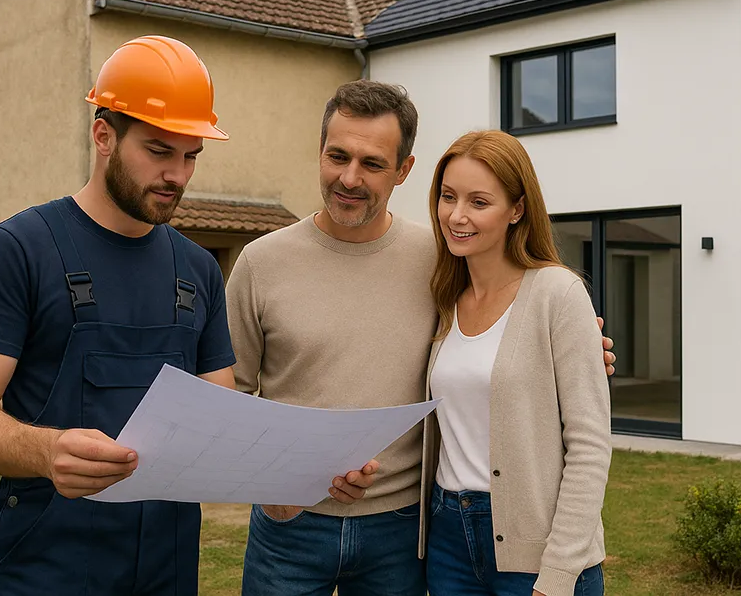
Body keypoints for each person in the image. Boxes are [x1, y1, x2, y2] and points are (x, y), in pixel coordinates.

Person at [0, 35, 374, 595]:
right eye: (158, 150)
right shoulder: (20, 248)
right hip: (48, 566)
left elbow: (222, 422)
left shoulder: (195, 269)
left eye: (191, 155)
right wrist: (46, 452)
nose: (178, 174)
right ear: (103, 135)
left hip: (167, 568)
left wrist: (312, 469)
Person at [225, 80, 616, 596]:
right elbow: (229, 392)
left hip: (402, 531)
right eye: (337, 156)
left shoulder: (439, 258)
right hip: (291, 525)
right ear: (319, 153)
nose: (349, 177)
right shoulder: (260, 262)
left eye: (372, 163)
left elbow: (521, 331)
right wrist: (267, 483)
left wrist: (581, 348)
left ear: (404, 170)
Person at [420, 130, 612, 596]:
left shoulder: (557, 294)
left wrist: (560, 572)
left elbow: (589, 444)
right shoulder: (445, 298)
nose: (457, 215)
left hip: (537, 547)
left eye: (479, 202)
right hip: (448, 540)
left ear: (517, 210)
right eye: (448, 196)